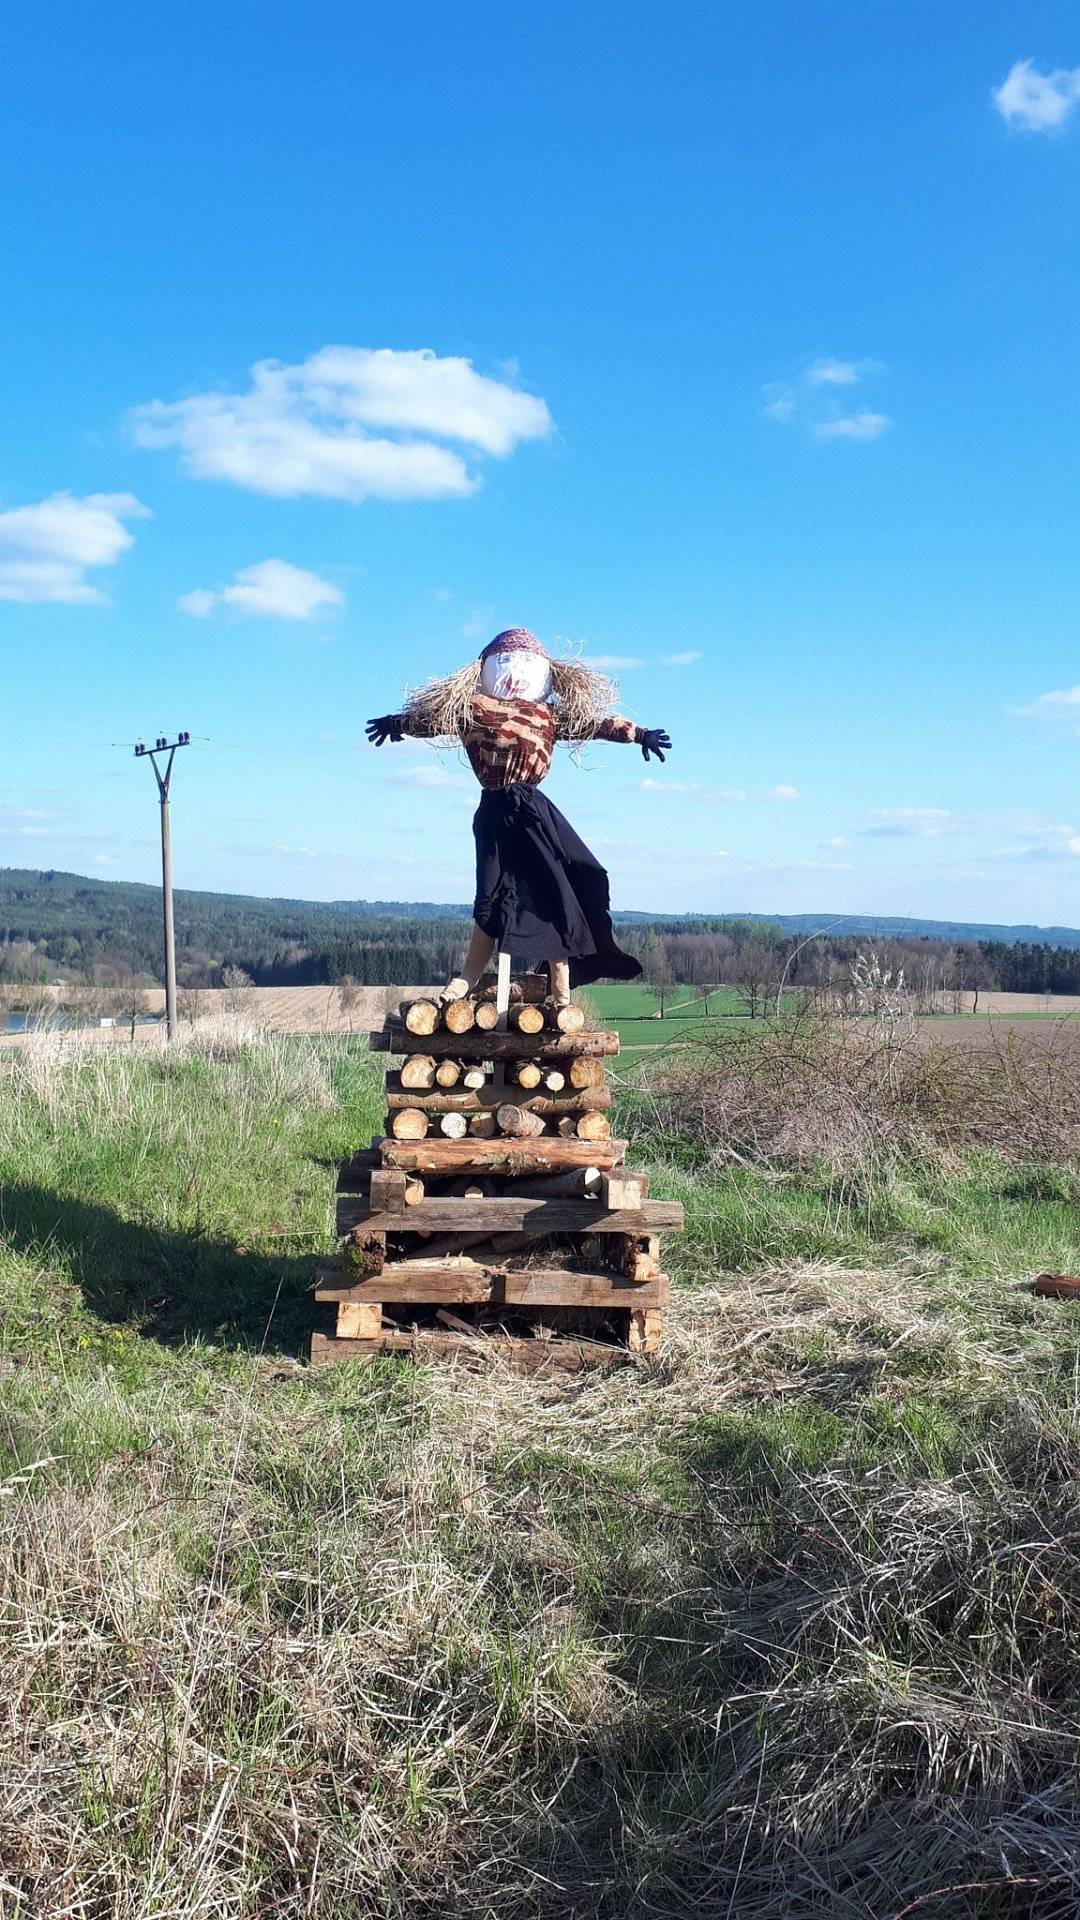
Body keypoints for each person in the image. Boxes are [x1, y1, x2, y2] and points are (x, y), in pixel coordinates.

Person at [366, 627, 672, 1005]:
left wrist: (638, 733)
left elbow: (594, 723)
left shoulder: (548, 714)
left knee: (550, 888)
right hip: (495, 812)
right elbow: (434, 719)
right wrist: (397, 724)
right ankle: (468, 977)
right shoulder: (472, 710)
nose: (515, 672)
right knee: (489, 896)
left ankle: (560, 988)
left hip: (532, 813)